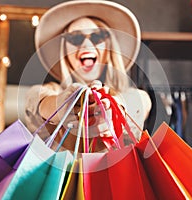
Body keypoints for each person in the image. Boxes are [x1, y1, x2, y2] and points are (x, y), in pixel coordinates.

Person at [25, 0, 151, 152]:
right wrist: (61, 105)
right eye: (75, 38)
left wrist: (115, 108)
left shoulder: (132, 95)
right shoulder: (45, 91)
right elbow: (38, 101)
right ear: (64, 49)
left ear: (109, 47)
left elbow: (141, 102)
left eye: (97, 37)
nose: (86, 45)